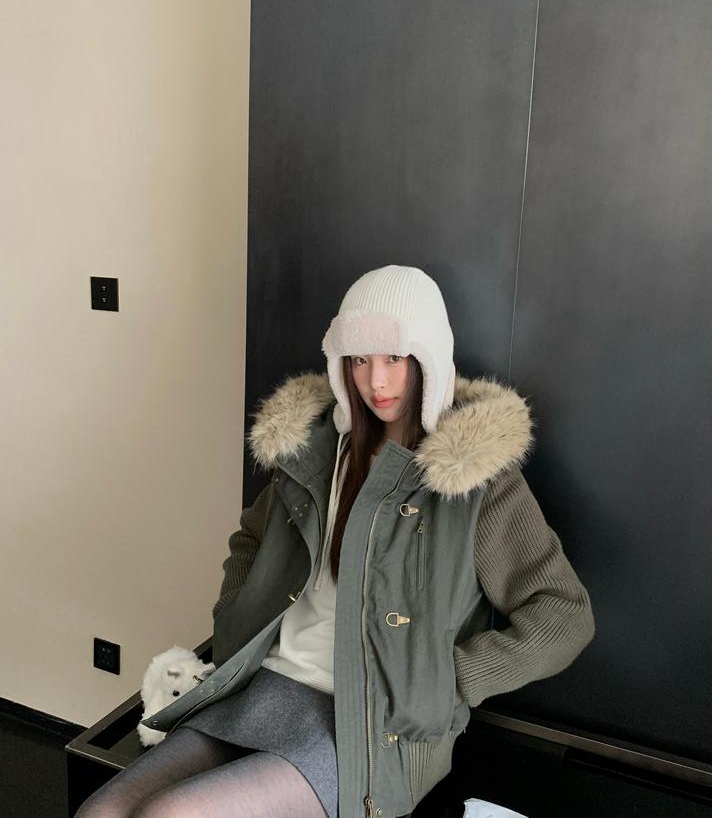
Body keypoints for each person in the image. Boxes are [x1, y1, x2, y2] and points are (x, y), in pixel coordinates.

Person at [76, 264, 595, 818]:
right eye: (359, 360)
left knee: (172, 815)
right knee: (100, 812)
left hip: (370, 725)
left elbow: (563, 615)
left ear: (429, 358)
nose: (377, 382)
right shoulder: (319, 450)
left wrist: (452, 677)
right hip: (265, 687)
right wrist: (234, 616)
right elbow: (250, 538)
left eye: (394, 358)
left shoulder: (475, 481)